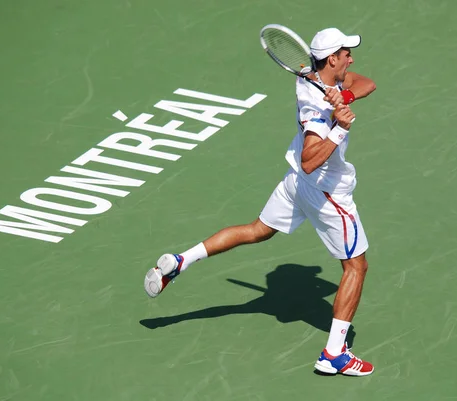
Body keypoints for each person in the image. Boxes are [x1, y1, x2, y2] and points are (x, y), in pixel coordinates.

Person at [144, 27, 377, 376]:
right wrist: (339, 126)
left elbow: (366, 83)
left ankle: (181, 260)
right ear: (332, 58)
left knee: (257, 230)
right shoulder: (314, 107)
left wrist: (343, 96)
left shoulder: (312, 77)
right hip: (326, 192)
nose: (352, 58)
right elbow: (310, 160)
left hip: (296, 187)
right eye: (346, 54)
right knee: (356, 267)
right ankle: (334, 354)